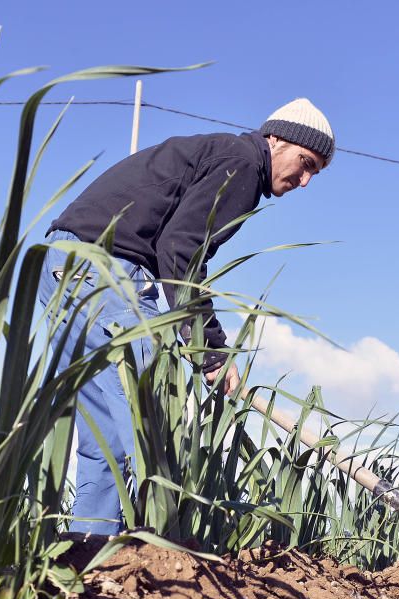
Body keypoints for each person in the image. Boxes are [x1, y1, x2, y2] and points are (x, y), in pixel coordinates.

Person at [38, 98, 335, 535]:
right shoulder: (242, 163)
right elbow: (181, 252)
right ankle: (158, 551)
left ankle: (90, 555)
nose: (305, 181)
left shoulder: (220, 154)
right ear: (276, 139)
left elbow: (171, 254)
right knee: (147, 416)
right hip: (105, 267)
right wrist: (213, 349)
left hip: (63, 266)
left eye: (315, 173)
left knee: (106, 437)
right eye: (305, 163)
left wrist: (192, 334)